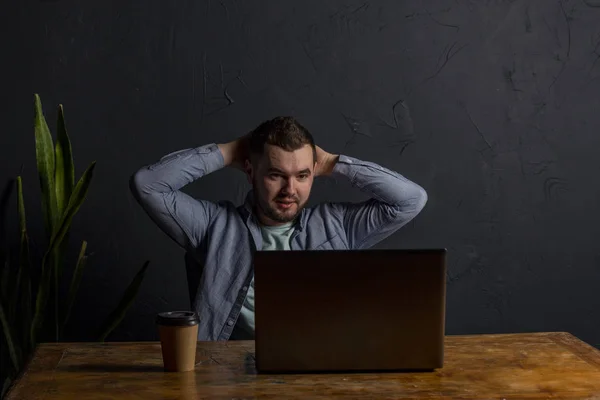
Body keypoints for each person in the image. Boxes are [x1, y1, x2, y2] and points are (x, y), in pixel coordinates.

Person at [130, 116, 428, 341]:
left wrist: (331, 162)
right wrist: (231, 151)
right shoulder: (213, 225)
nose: (290, 189)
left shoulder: (338, 227)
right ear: (250, 171)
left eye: (302, 175)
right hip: (227, 377)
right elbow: (148, 185)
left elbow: (410, 200)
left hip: (316, 374)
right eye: (276, 175)